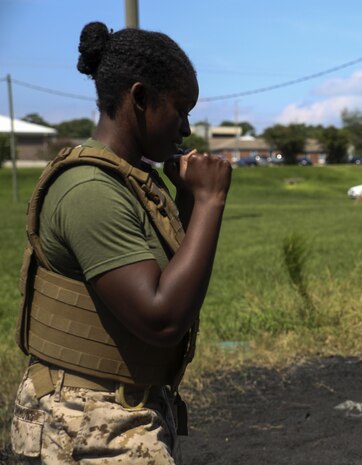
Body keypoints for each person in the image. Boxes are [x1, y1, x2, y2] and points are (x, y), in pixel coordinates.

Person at [11, 22, 231, 464]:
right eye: (180, 109)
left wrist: (187, 203)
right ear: (140, 98)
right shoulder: (90, 189)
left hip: (120, 414)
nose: (186, 128)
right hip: (83, 423)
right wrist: (210, 201)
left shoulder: (134, 182)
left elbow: (169, 280)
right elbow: (162, 318)